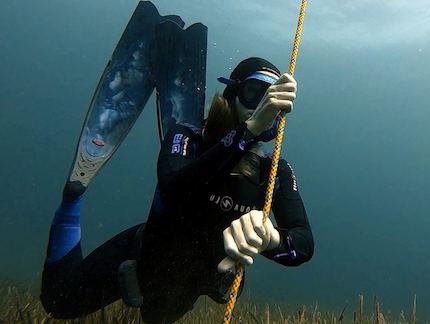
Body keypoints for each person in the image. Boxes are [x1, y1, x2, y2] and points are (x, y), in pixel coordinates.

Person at [41, 56, 314, 324]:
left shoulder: (276, 171)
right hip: (147, 255)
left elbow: (303, 244)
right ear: (232, 94)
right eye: (254, 93)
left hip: (195, 281)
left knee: (158, 316)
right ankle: (70, 203)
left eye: (272, 98)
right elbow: (174, 190)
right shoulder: (187, 137)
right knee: (58, 303)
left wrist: (272, 239)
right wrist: (249, 130)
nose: (262, 106)